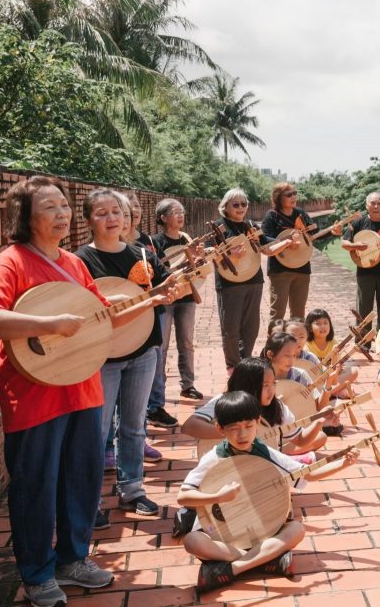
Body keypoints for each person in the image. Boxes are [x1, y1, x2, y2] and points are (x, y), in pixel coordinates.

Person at [0, 176, 158, 607]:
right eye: (50, 206)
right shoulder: (11, 261)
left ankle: (73, 559)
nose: (61, 214)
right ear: (25, 216)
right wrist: (49, 325)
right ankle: (36, 573)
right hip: (34, 395)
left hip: (84, 389)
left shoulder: (73, 264)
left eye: (63, 206)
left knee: (82, 478)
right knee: (35, 484)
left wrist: (153, 299)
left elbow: (101, 320)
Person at [178, 391, 359, 598]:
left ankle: (232, 569)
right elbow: (183, 497)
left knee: (297, 529)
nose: (242, 434)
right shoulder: (214, 458)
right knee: (192, 541)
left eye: (248, 426)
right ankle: (267, 560)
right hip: (223, 536)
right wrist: (217, 498)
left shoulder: (265, 452)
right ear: (220, 428)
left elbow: (307, 474)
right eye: (234, 428)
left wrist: (342, 463)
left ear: (258, 422)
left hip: (263, 531)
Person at [76, 188, 178, 526]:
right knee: (96, 429)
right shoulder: (80, 261)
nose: (111, 218)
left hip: (144, 350)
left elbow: (163, 288)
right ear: (89, 218)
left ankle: (132, 489)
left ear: (126, 218)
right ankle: (88, 504)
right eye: (102, 212)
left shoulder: (142, 255)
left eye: (116, 212)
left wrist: (172, 288)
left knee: (134, 426)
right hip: (102, 357)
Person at [182, 356, 325, 458]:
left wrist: (320, 420)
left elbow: (300, 440)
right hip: (227, 468)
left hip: (262, 470)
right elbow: (189, 426)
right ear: (248, 385)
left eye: (273, 383)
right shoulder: (225, 401)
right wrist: (233, 434)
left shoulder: (277, 407)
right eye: (265, 385)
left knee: (321, 436)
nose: (271, 390)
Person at [148, 199, 202, 430]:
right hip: (166, 297)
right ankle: (157, 397)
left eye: (181, 212)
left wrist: (198, 258)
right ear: (162, 218)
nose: (180, 216)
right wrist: (184, 259)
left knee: (187, 342)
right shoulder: (155, 242)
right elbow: (159, 270)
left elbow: (197, 267)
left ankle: (187, 384)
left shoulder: (187, 239)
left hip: (187, 294)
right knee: (162, 347)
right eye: (174, 212)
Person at [211, 188, 272, 372]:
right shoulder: (218, 227)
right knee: (231, 326)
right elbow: (208, 252)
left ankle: (245, 362)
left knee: (251, 326)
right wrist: (229, 252)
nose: (240, 208)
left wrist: (285, 240)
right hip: (230, 283)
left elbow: (264, 242)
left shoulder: (249, 225)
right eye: (235, 204)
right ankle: (232, 366)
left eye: (243, 204)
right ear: (225, 206)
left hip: (254, 280)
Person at [260, 182, 320, 329]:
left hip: (302, 268)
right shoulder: (271, 216)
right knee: (278, 312)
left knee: (298, 313)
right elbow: (264, 240)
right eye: (289, 194)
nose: (293, 197)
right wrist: (287, 241)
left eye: (295, 193)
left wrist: (332, 231)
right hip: (280, 270)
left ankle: (296, 348)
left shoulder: (300, 213)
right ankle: (274, 347)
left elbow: (313, 234)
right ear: (279, 197)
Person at [342, 191, 380, 330]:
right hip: (365, 271)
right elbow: (344, 243)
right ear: (367, 205)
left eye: (379, 203)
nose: (376, 206)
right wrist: (356, 246)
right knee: (364, 308)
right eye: (373, 203)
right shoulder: (358, 222)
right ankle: (362, 342)